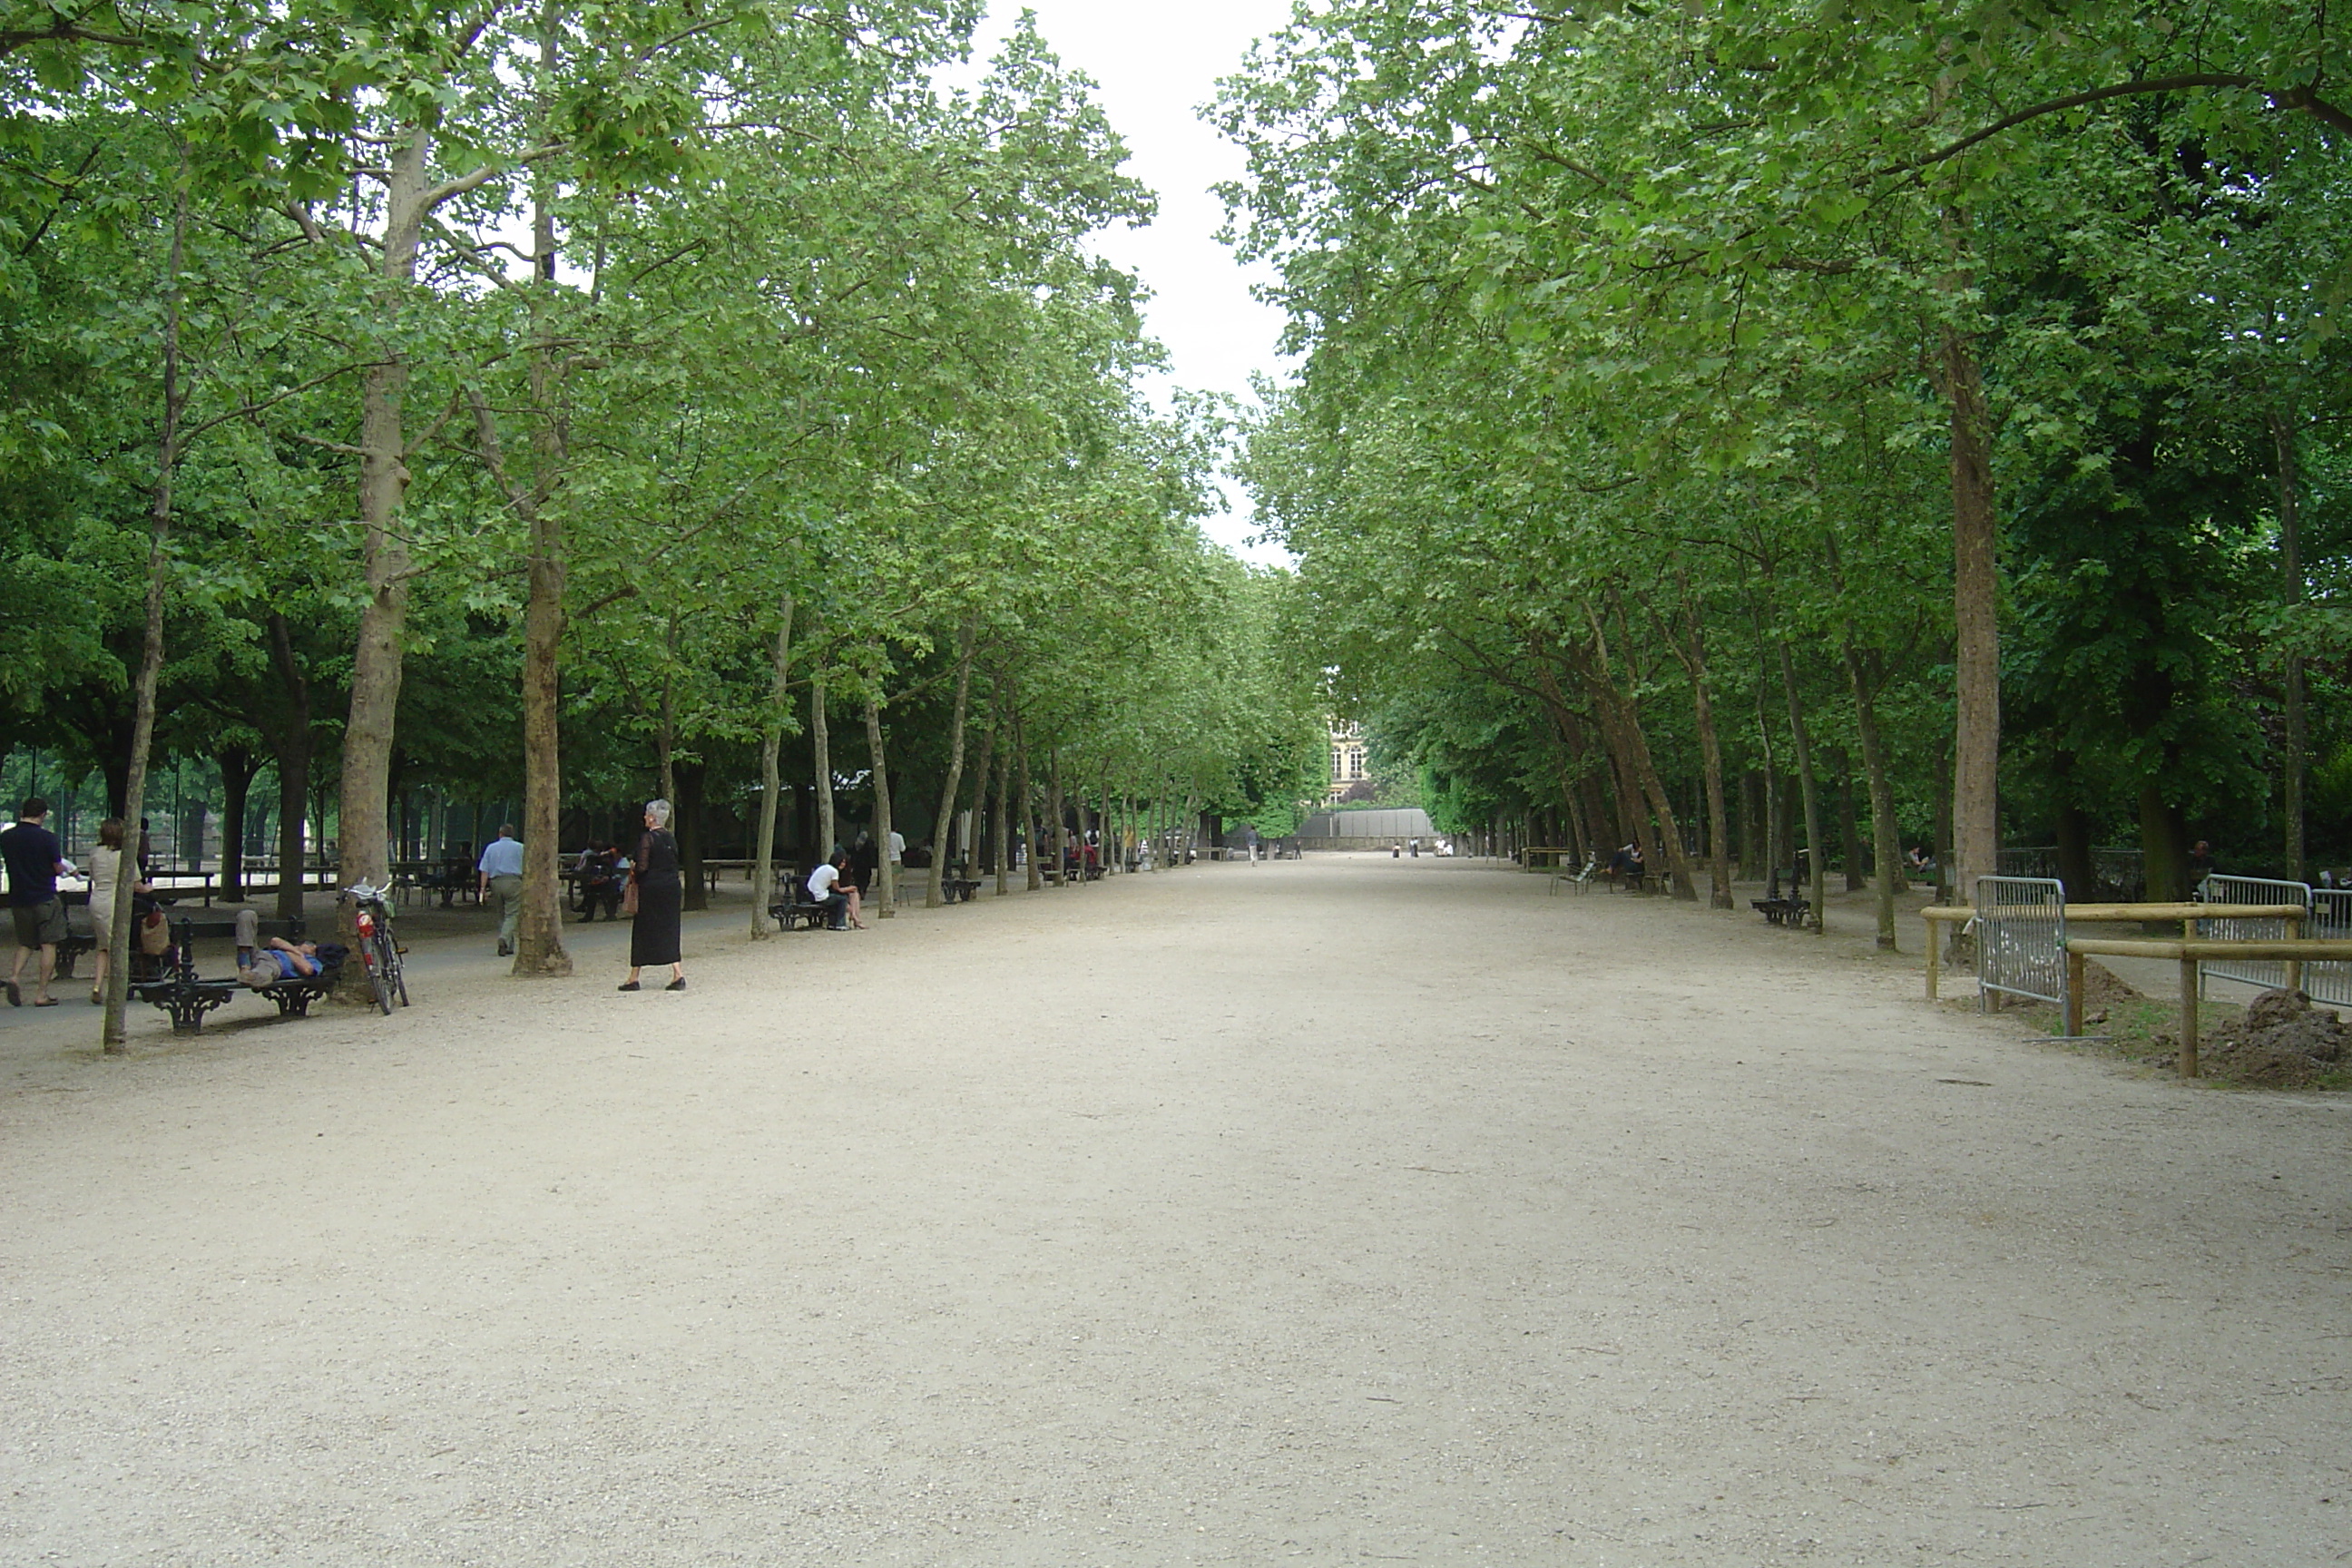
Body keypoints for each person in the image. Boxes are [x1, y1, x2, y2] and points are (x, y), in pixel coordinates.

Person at [3, 797, 71, 1006]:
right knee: (48, 944)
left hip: (19, 897)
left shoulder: (6, 838)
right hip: (44, 896)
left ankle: (14, 977)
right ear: (42, 814)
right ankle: (41, 993)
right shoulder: (47, 838)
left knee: (25, 943)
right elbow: (57, 867)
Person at [620, 799, 685, 992]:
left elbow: (642, 866)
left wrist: (634, 871)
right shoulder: (670, 838)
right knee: (670, 929)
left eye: (647, 815)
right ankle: (677, 973)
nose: (644, 818)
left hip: (652, 889)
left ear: (652, 817)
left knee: (643, 930)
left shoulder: (647, 838)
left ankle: (634, 977)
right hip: (671, 888)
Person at [83, 818, 150, 1005]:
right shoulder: (125, 856)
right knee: (118, 945)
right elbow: (137, 885)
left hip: (97, 899)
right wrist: (149, 888)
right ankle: (118, 985)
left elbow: (93, 875)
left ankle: (97, 985)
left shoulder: (95, 853)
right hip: (116, 901)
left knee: (103, 945)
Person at [476, 824, 524, 956]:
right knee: (513, 913)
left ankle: (509, 945)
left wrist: (482, 889)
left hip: (496, 882)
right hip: (514, 881)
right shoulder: (521, 848)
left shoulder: (491, 848)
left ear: (500, 834)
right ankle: (504, 938)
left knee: (501, 914)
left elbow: (484, 870)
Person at [807, 850, 863, 930]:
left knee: (835, 898)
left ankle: (832, 923)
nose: (843, 864)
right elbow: (837, 888)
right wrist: (849, 889)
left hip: (810, 893)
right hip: (819, 895)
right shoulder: (834, 871)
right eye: (841, 862)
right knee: (842, 899)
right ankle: (841, 923)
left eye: (844, 862)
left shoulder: (825, 867)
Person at [577, 844, 622, 921]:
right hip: (598, 883)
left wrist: (606, 877)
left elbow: (612, 873)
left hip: (610, 884)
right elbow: (588, 871)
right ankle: (588, 915)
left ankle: (610, 914)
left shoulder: (610, 860)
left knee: (610, 891)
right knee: (590, 890)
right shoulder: (593, 858)